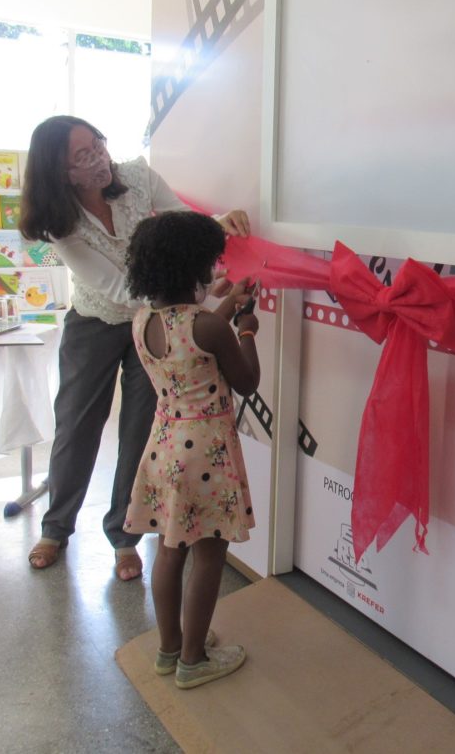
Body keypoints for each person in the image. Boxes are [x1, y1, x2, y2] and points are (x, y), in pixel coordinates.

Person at [19, 115, 250, 578]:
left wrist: (217, 227)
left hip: (157, 323)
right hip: (98, 321)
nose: (99, 160)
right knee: (78, 427)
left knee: (142, 430)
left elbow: (184, 218)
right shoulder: (59, 224)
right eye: (82, 157)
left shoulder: (138, 176)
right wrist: (199, 292)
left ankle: (125, 537)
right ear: (60, 172)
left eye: (98, 146)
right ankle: (56, 527)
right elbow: (118, 289)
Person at [123, 211, 260, 688]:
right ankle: (195, 660)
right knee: (209, 554)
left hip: (164, 445)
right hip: (208, 453)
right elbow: (245, 380)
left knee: (170, 549)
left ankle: (169, 649)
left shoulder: (143, 322)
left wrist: (225, 314)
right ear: (194, 270)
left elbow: (192, 342)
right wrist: (247, 330)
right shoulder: (210, 326)